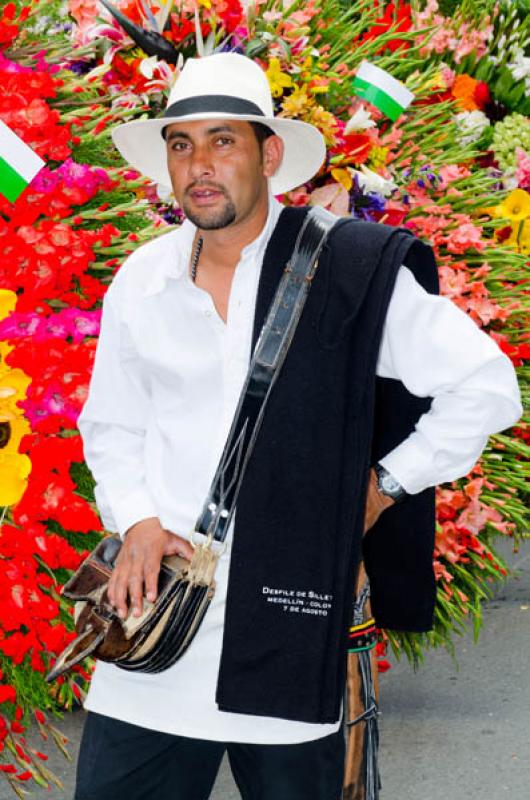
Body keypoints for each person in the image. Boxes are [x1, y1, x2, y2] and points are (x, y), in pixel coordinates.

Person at [74, 53, 523, 800]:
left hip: (288, 622)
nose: (199, 166)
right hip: (155, 636)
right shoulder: (143, 279)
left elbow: (486, 386)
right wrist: (140, 521)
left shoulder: (348, 267)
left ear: (269, 154)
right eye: (181, 145)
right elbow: (112, 424)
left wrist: (383, 486)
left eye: (222, 141)